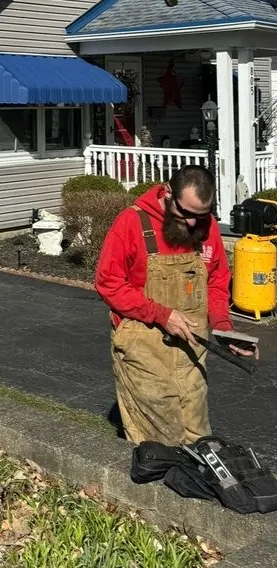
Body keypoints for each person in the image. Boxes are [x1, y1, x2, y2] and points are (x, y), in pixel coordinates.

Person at [95, 165, 257, 446]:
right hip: (143, 345)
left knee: (200, 438)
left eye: (201, 215)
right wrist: (161, 314)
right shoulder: (132, 223)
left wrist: (223, 327)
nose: (193, 224)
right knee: (162, 440)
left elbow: (217, 282)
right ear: (168, 194)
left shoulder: (206, 229)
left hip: (192, 350)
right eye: (186, 213)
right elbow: (109, 283)